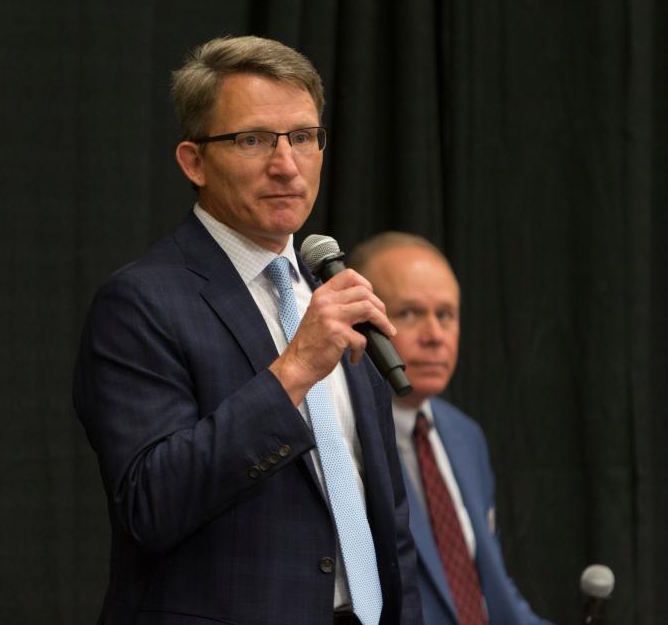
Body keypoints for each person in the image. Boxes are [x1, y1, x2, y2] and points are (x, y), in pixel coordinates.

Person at [73, 36, 422, 625]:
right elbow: (150, 504)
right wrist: (294, 370)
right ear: (194, 161)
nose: (285, 164)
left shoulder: (330, 293)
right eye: (252, 139)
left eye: (303, 138)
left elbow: (386, 516)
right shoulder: (141, 302)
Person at [349, 233, 552, 625]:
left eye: (446, 315)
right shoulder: (343, 433)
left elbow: (489, 589)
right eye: (409, 313)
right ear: (363, 318)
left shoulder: (464, 435)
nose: (434, 336)